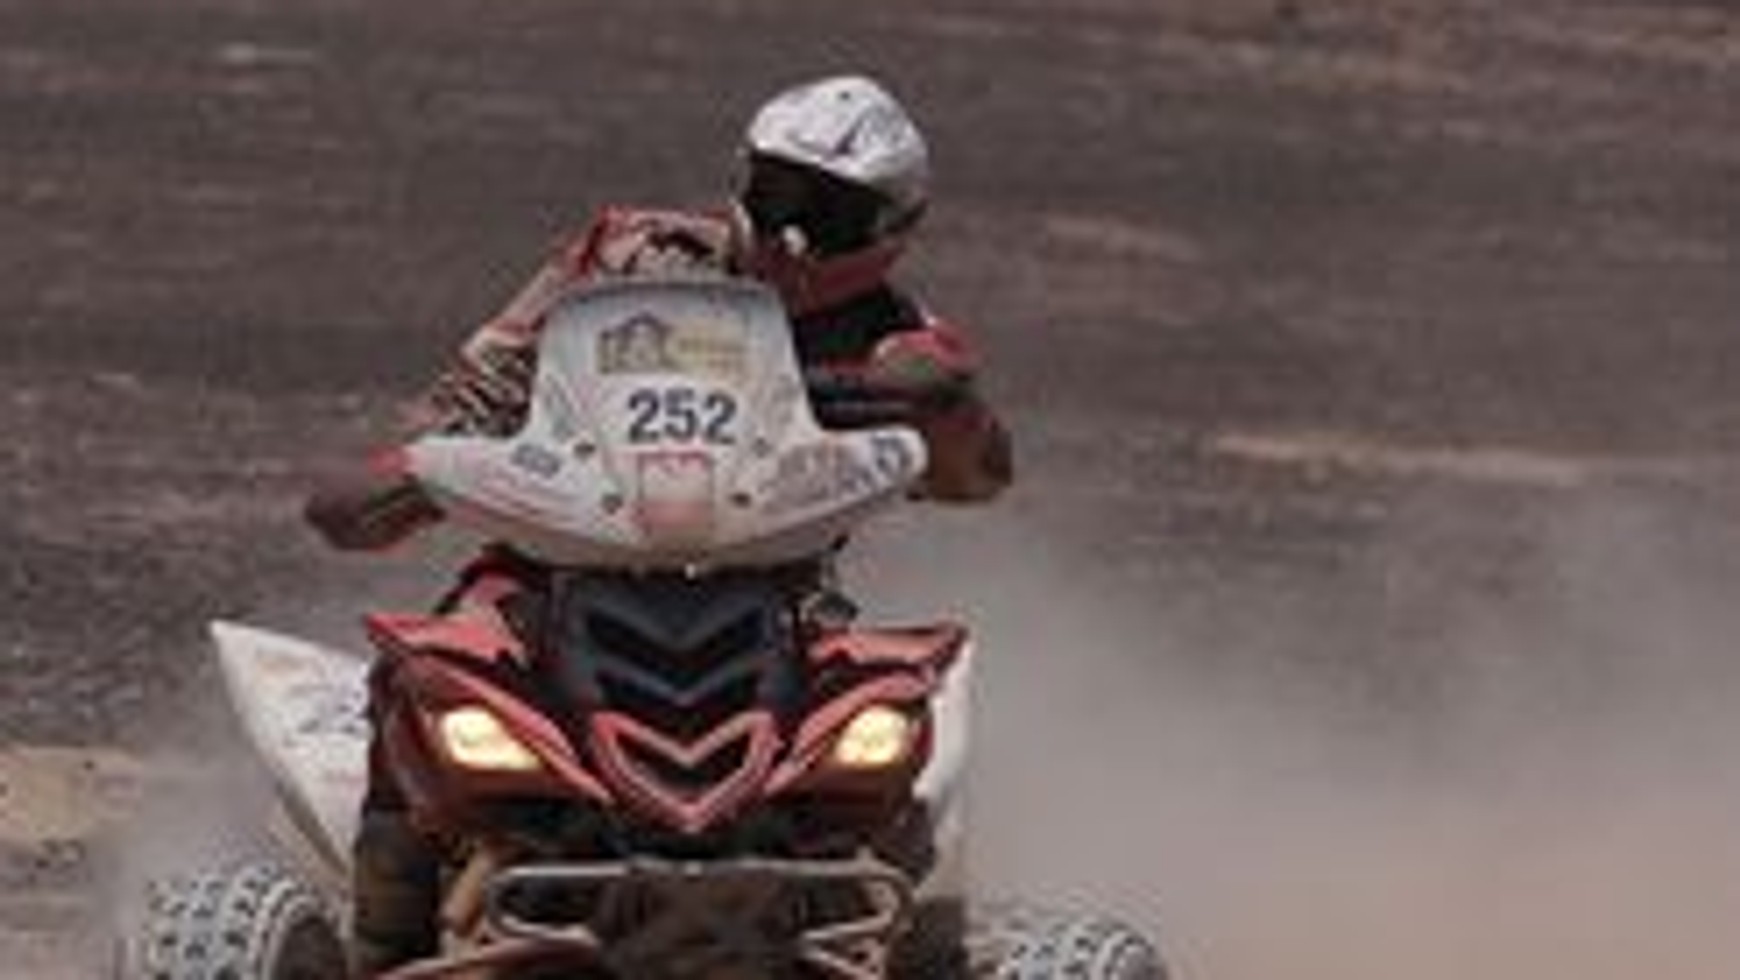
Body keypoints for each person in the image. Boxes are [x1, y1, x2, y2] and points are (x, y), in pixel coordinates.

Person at [304, 74, 1013, 975]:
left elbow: (980, 477)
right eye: (778, 195)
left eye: (828, 213)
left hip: (778, 597)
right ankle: (381, 947)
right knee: (424, 679)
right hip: (554, 568)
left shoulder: (899, 338)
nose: (791, 236)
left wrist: (949, 409)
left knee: (888, 735)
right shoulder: (631, 257)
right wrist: (401, 471)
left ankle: (909, 945)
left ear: (891, 229)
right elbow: (488, 383)